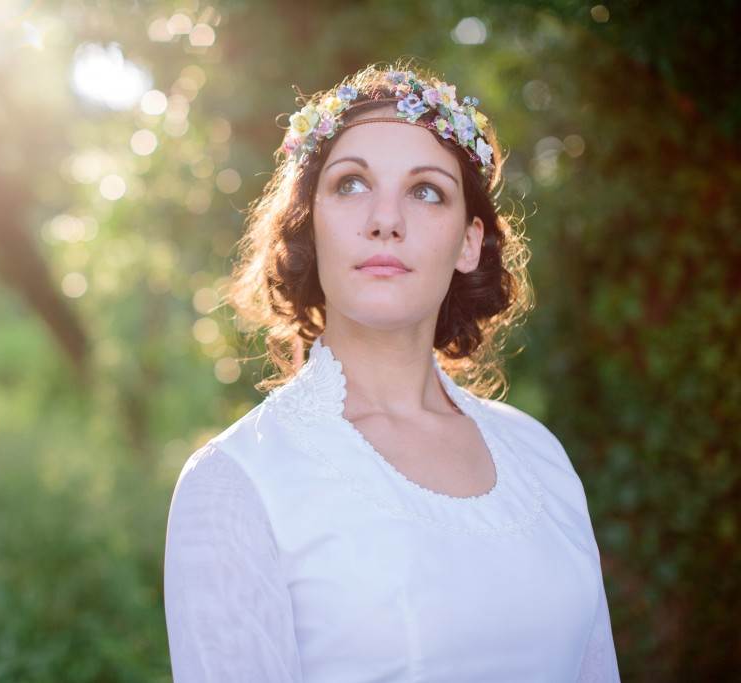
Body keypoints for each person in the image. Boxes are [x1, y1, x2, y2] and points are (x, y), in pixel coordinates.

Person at [163, 59, 620, 682]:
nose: (385, 219)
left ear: (468, 242)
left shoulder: (539, 456)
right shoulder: (238, 483)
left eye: (425, 191)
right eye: (351, 184)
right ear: (311, 227)